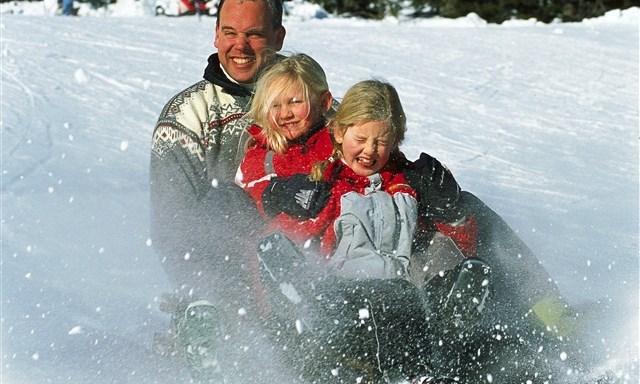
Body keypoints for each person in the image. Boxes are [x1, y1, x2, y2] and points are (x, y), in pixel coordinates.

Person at [149, 0, 287, 382]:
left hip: (303, 267)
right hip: (225, 274)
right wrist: (207, 288)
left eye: (254, 34)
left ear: (278, 37)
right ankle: (204, 334)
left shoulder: (302, 103)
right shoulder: (188, 114)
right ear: (216, 35)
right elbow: (171, 225)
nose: (239, 46)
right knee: (220, 204)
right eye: (230, 32)